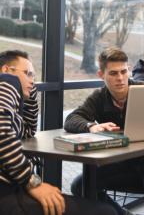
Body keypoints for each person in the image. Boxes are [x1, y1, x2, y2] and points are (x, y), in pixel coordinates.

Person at [64, 47, 144, 215]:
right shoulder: (99, 97)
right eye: (113, 73)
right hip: (125, 164)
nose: (120, 78)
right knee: (80, 186)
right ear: (101, 75)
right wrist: (91, 126)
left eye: (123, 71)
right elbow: (71, 119)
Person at [0, 50, 117, 215]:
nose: (32, 81)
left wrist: (29, 92)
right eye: (27, 73)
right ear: (6, 70)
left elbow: (27, 131)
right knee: (105, 212)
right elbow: (1, 133)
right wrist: (32, 182)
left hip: (11, 189)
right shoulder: (6, 81)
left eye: (33, 76)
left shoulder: (9, 96)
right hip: (6, 195)